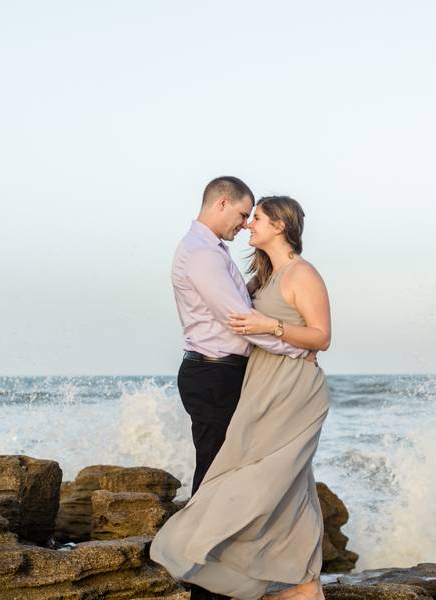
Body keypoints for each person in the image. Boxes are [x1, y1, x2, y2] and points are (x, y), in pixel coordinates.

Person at [151, 194, 331, 600]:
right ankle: (304, 585)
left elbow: (321, 337)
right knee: (291, 483)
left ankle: (218, 562)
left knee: (268, 479)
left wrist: (273, 327)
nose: (249, 224)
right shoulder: (264, 277)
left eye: (257, 218)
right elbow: (238, 319)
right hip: (264, 385)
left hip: (293, 389)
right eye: (246, 217)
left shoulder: (302, 274)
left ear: (279, 226)